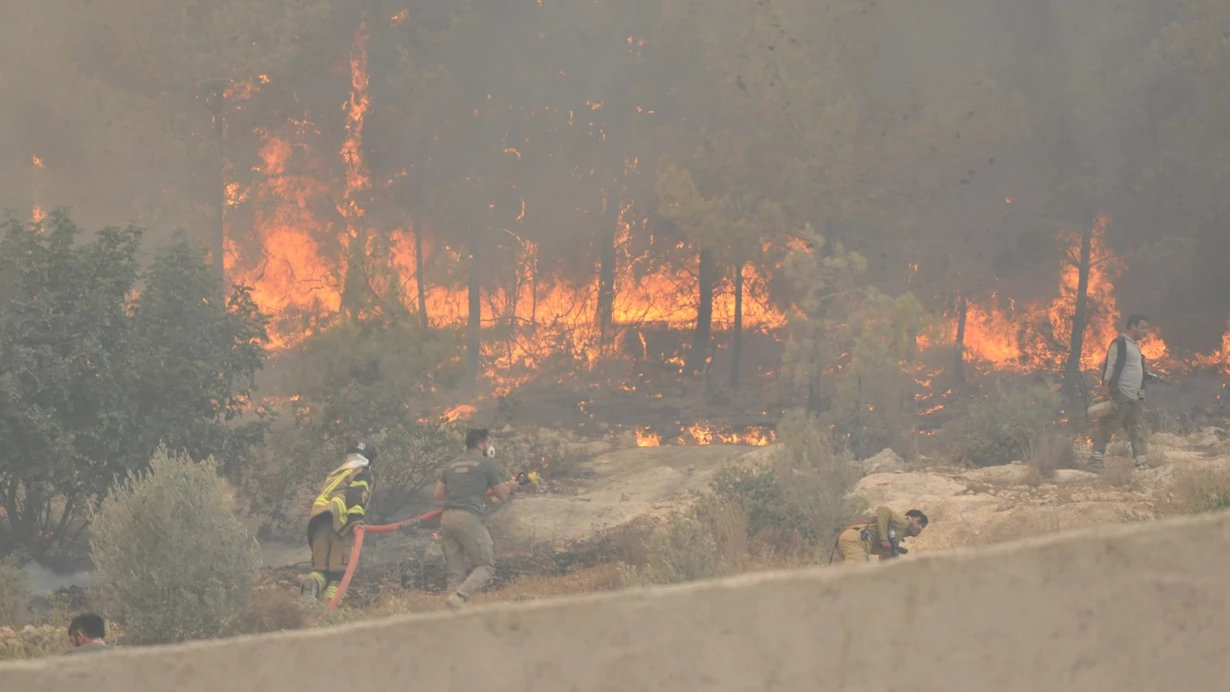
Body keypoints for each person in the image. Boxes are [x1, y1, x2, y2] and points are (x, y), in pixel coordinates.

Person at [435, 428, 521, 611]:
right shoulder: (486, 464)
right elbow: (503, 495)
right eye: (488, 443)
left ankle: (449, 614)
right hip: (468, 518)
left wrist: (464, 491)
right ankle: (459, 596)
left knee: (455, 573)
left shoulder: (451, 465)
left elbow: (438, 494)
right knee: (486, 565)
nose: (490, 446)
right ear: (481, 444)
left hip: (446, 518)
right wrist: (512, 486)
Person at [302, 440, 375, 603]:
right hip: (341, 525)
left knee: (320, 570)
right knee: (338, 575)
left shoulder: (338, 472)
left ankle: (312, 585)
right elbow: (357, 494)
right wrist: (356, 520)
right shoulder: (362, 471)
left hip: (319, 524)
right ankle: (329, 610)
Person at [1091, 315, 1152, 471]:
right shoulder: (1120, 343)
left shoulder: (1135, 347)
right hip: (1121, 394)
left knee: (1135, 428)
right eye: (1143, 327)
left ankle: (1140, 462)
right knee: (1108, 425)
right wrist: (1106, 388)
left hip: (1135, 396)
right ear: (1132, 326)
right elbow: (1110, 366)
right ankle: (1095, 460)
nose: (1146, 332)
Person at [836, 506, 928, 564]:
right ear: (910, 518)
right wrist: (884, 539)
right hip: (855, 541)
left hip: (853, 542)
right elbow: (883, 510)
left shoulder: (896, 535)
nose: (920, 527)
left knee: (865, 575)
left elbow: (885, 558)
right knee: (857, 575)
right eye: (919, 522)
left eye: (922, 526)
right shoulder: (904, 522)